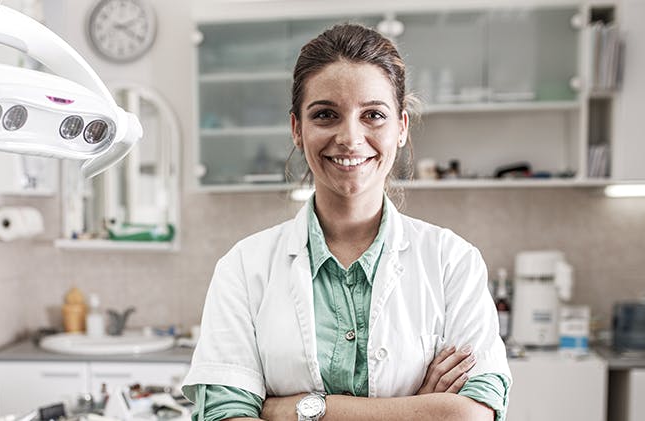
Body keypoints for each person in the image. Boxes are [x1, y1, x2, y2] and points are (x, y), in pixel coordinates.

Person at [182, 23, 511, 421]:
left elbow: (469, 415)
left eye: (373, 115)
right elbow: (225, 416)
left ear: (401, 128)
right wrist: (415, 409)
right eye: (326, 115)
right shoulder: (243, 267)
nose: (350, 137)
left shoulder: (452, 262)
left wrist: (296, 410)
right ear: (297, 130)